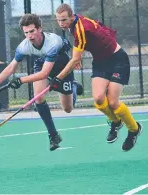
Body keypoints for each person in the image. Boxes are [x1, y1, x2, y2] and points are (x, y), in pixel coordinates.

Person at [0, 14, 82, 151]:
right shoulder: (24, 46)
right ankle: (53, 135)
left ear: (39, 29)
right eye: (26, 32)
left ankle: (74, 86)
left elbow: (45, 74)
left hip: (61, 66)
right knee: (38, 97)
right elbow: (11, 68)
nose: (29, 36)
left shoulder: (53, 43)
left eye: (32, 31)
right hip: (42, 63)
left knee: (68, 109)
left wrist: (21, 80)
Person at [52, 3, 142, 151]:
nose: (61, 23)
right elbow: (91, 38)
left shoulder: (80, 28)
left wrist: (59, 78)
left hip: (117, 60)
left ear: (72, 17)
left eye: (64, 20)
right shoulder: (74, 25)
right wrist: (78, 56)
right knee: (99, 99)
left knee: (113, 103)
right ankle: (116, 121)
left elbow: (75, 57)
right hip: (100, 62)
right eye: (59, 20)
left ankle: (133, 130)